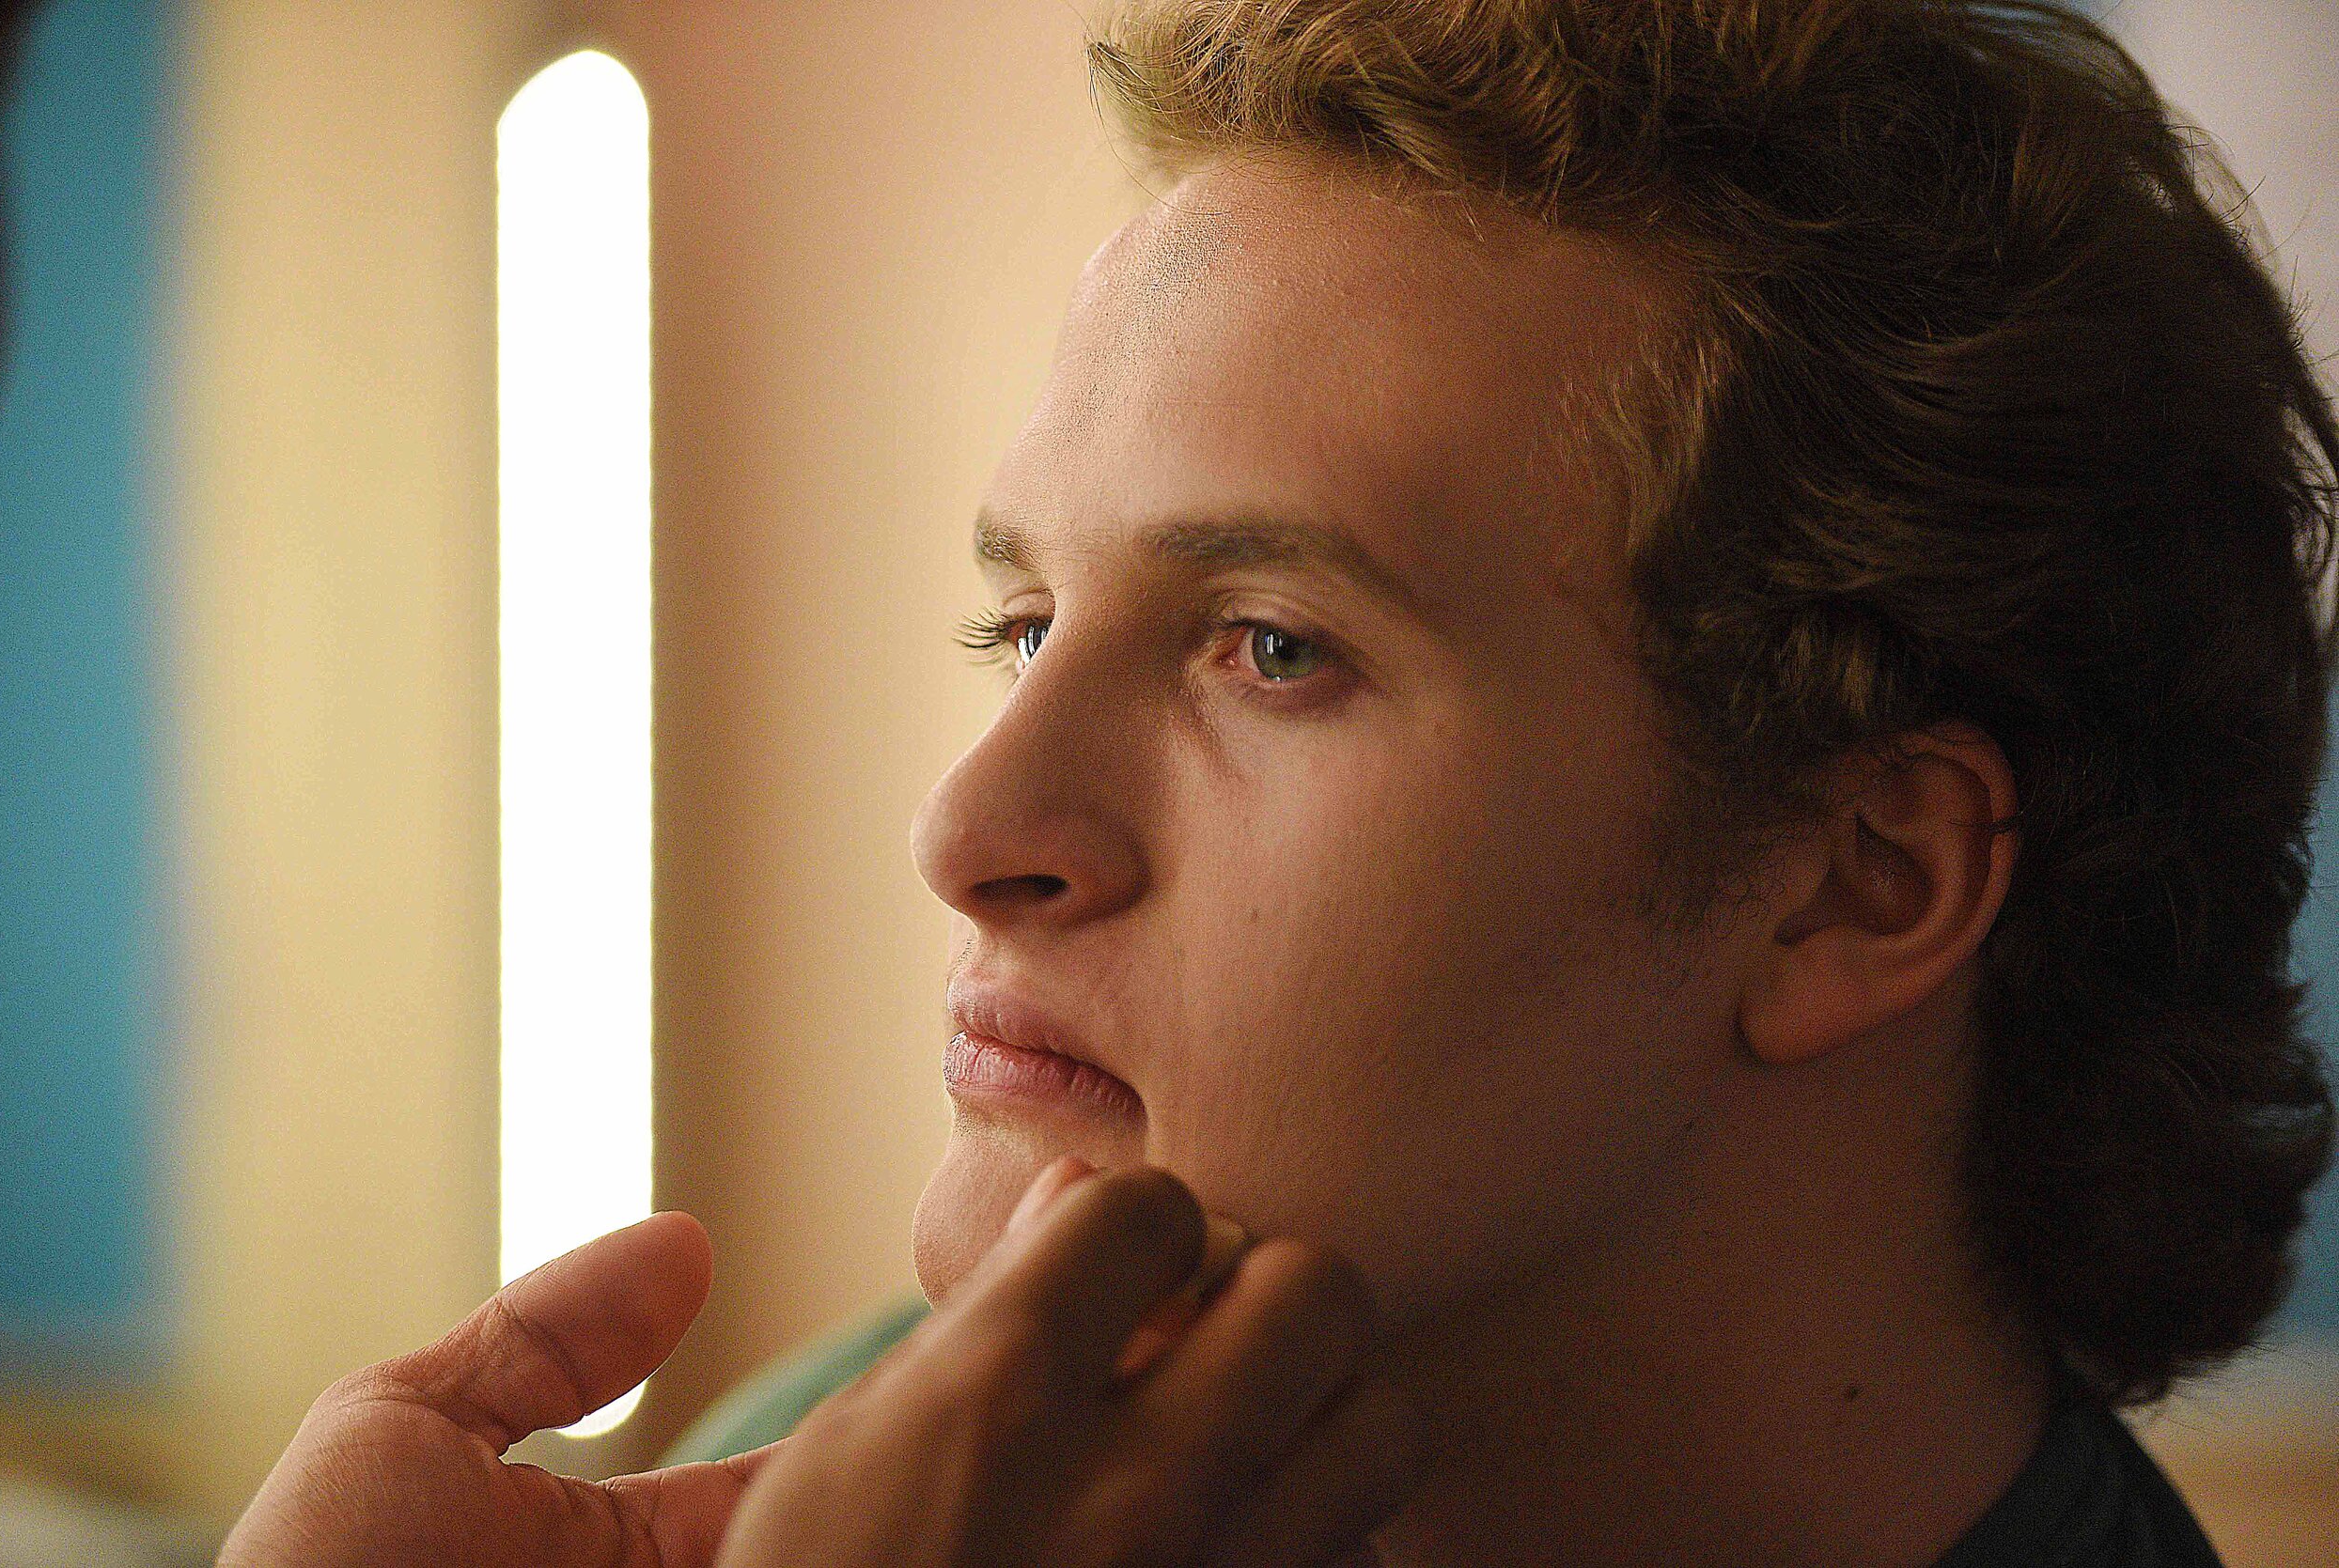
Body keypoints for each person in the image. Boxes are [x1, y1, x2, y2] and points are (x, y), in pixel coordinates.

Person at [220, 1, 2337, 1563]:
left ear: (1855, 882)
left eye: (1271, 648)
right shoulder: (876, 1472)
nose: (970, 834)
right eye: (1022, 625)